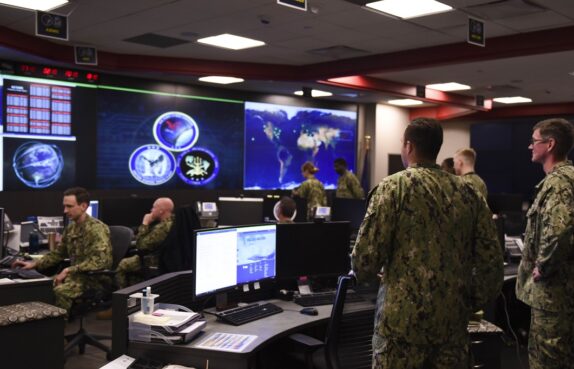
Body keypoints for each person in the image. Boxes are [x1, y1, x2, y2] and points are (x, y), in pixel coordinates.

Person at [351, 118, 503, 369]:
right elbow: (492, 263)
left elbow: (364, 261)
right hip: (451, 326)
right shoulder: (470, 193)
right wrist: (468, 301)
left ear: (409, 146)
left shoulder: (392, 188)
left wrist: (370, 277)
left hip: (400, 330)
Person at [515, 118, 574, 369]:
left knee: (548, 360)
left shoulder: (559, 182)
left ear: (550, 144)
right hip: (563, 292)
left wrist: (543, 265)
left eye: (534, 141)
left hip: (553, 295)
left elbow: (560, 230)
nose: (530, 147)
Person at [14, 187, 112, 314]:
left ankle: (59, 330)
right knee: (40, 286)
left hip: (95, 280)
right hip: (76, 277)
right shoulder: (71, 229)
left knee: (59, 291)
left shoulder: (97, 229)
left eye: (69, 206)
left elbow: (101, 262)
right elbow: (58, 254)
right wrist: (34, 264)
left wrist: (68, 270)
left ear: (83, 206)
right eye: (64, 206)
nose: (65, 211)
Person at [116, 197, 174, 289]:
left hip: (154, 260)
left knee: (123, 265)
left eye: (154, 207)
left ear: (161, 211)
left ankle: (122, 295)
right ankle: (135, 292)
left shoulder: (162, 228)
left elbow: (141, 246)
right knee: (133, 272)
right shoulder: (173, 222)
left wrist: (145, 223)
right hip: (164, 259)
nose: (151, 210)